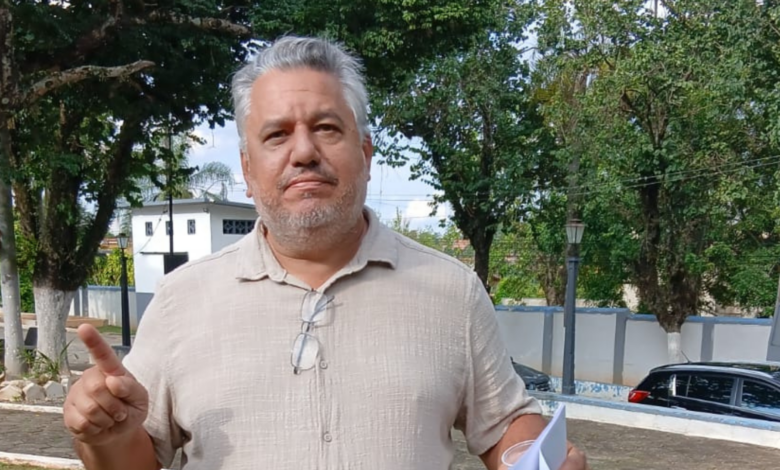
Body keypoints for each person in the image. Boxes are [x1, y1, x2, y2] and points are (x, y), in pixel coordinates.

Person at [63, 36, 588, 470]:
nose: (304, 152)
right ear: (247, 169)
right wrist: (108, 434)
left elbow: (504, 422)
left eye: (326, 128)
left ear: (365, 153)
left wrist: (531, 454)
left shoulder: (452, 291)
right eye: (276, 135)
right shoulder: (182, 300)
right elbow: (134, 458)